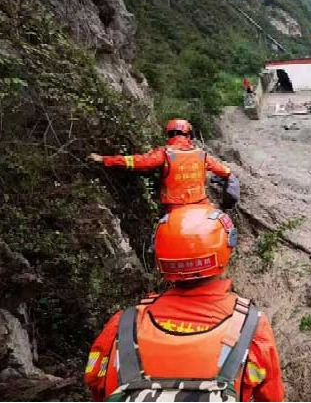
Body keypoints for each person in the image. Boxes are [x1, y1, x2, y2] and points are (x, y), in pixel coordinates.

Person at [84, 204, 285, 402]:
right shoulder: (251, 328)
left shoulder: (122, 326)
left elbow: (96, 386)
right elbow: (270, 397)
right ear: (226, 249)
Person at [88, 118, 239, 210]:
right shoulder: (201, 154)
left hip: (173, 207)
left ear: (169, 134)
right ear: (189, 135)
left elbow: (138, 162)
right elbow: (225, 172)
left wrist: (106, 159)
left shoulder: (165, 153)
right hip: (200, 204)